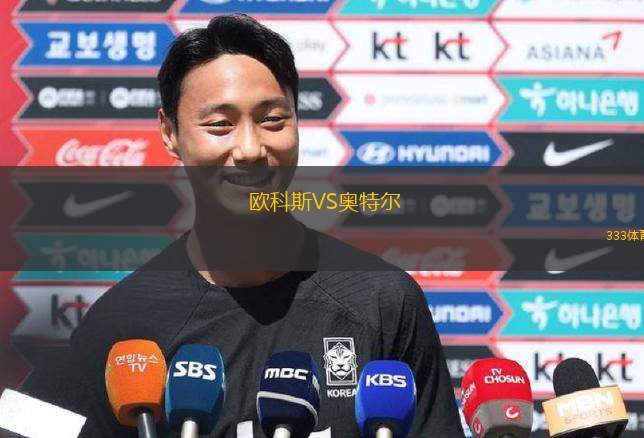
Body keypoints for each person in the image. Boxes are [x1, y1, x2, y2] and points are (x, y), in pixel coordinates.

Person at [20, 14, 464, 437]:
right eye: (220, 125)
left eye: (272, 120)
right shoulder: (124, 323)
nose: (250, 149)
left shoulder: (384, 301)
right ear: (169, 132)